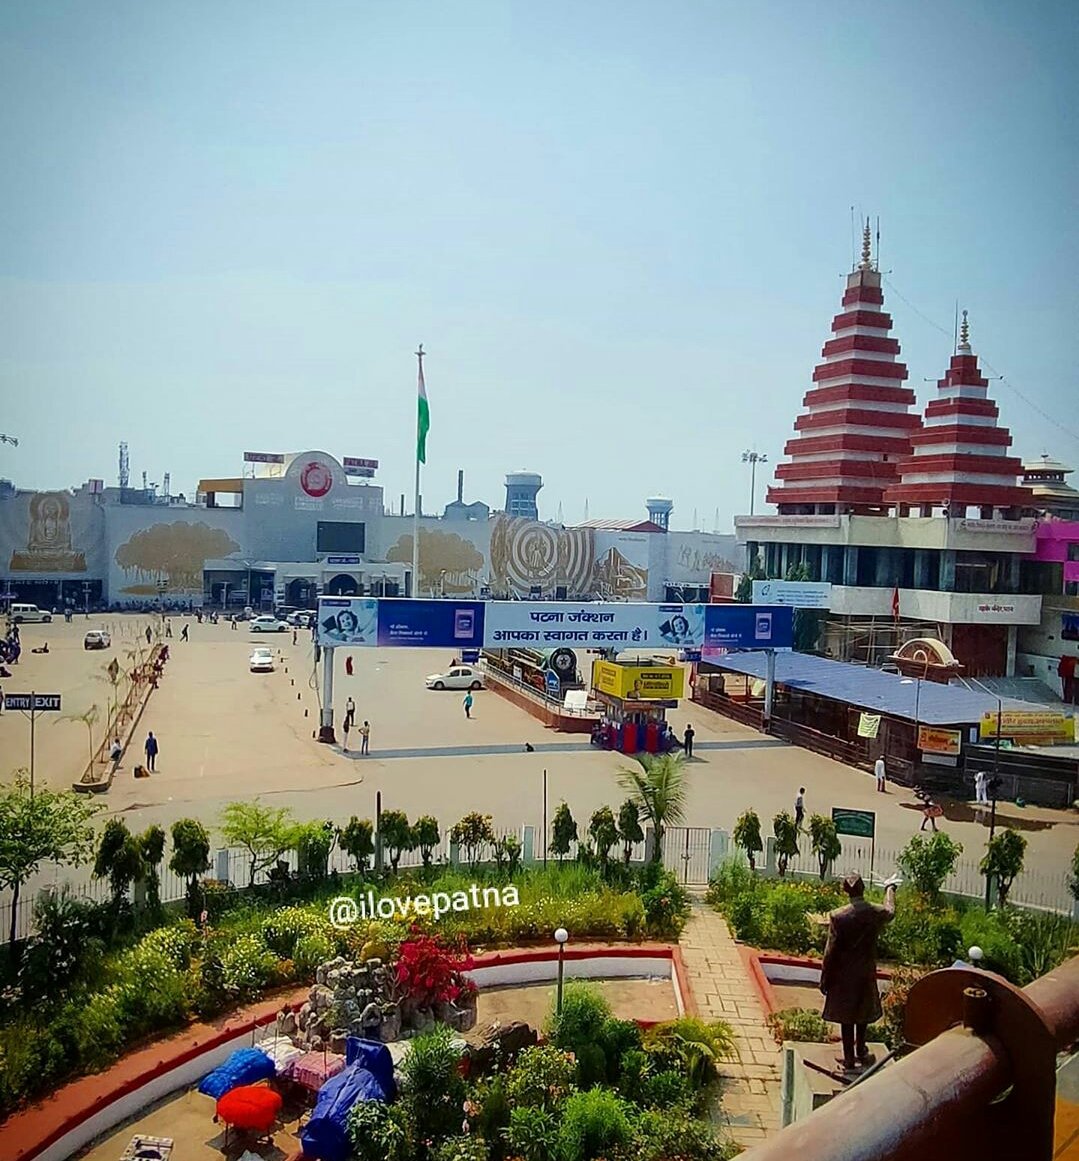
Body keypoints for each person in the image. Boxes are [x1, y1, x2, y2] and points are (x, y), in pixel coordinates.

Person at [820, 873, 898, 1071]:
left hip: (844, 975)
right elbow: (890, 910)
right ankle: (861, 1052)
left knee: (847, 1017)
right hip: (865, 971)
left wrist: (825, 978)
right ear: (862, 889)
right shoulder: (875, 912)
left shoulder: (839, 917)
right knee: (862, 1012)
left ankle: (848, 1058)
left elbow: (831, 952)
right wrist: (889, 888)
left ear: (846, 891)